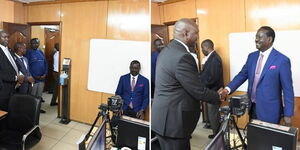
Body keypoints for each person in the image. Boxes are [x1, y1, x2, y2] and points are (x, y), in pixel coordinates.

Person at [151, 18, 223, 150]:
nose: (198, 37)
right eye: (196, 33)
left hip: (164, 119)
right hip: (173, 123)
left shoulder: (166, 51)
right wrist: (218, 96)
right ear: (186, 34)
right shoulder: (183, 56)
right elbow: (197, 90)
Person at [220, 26, 294, 126]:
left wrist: (288, 114)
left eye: (259, 37)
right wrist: (227, 89)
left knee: (268, 139)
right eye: (256, 37)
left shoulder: (282, 60)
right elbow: (242, 75)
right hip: (253, 107)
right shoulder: (252, 57)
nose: (256, 39)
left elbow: (288, 89)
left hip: (270, 112)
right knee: (254, 138)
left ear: (269, 39)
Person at [199, 39, 224, 139]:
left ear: (207, 47)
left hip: (213, 91)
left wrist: (203, 85)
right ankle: (216, 132)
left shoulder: (214, 59)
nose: (201, 50)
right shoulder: (210, 58)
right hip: (211, 90)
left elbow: (213, 78)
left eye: (202, 48)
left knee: (214, 115)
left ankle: (216, 135)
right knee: (213, 114)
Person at [0, 30, 24, 111]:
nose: (7, 39)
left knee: (11, 110)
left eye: (8, 37)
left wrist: (20, 76)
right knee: (3, 112)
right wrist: (15, 78)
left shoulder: (9, 49)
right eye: (4, 37)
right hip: (3, 89)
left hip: (13, 87)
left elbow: (16, 65)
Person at [25, 38, 48, 113]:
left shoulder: (40, 51)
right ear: (30, 44)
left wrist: (45, 73)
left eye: (37, 43)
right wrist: (34, 76)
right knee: (32, 95)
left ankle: (38, 109)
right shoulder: (28, 52)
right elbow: (26, 66)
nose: (36, 45)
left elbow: (45, 63)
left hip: (42, 78)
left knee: (39, 95)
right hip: (33, 79)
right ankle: (31, 110)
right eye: (34, 43)